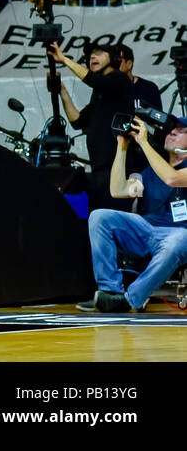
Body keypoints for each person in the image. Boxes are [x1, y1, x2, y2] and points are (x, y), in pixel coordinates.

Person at [79, 116, 187, 312]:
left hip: (179, 234)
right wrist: (122, 146)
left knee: (179, 238)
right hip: (146, 231)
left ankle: (130, 300)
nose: (172, 132)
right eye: (172, 129)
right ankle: (110, 293)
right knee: (100, 217)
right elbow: (118, 190)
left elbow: (172, 179)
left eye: (182, 130)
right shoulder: (149, 172)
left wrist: (144, 143)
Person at [50, 43, 135, 213]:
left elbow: (94, 81)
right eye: (90, 56)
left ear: (114, 58)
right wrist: (62, 92)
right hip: (98, 169)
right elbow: (78, 121)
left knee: (112, 217)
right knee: (96, 218)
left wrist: (64, 59)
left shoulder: (120, 80)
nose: (92, 58)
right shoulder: (100, 93)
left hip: (116, 168)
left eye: (98, 53)